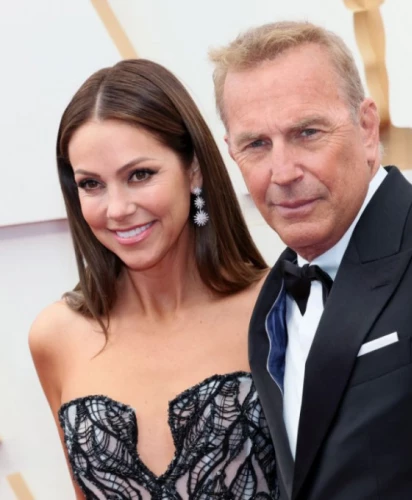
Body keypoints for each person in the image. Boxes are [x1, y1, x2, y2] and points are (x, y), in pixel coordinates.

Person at [209, 20, 412, 500]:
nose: (282, 171)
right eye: (256, 144)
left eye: (307, 132)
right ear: (231, 153)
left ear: (366, 128)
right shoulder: (273, 296)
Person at [28, 59, 280, 500]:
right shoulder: (57, 336)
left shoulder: (279, 309)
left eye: (139, 175)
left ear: (194, 169)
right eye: (91, 184)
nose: (117, 209)